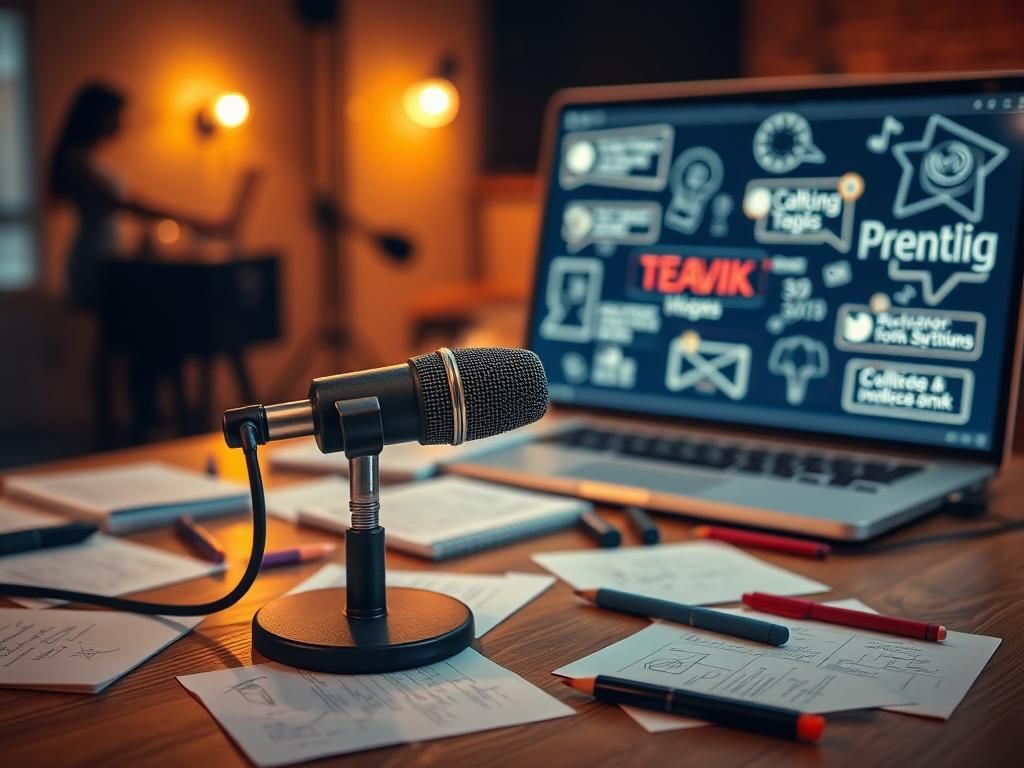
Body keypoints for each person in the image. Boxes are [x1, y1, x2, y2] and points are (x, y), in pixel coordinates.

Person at [48, 82, 234, 445]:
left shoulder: (94, 158)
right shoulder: (77, 160)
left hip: (115, 260)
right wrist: (191, 219)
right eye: (116, 115)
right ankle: (111, 429)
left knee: (120, 340)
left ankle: (131, 421)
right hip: (99, 262)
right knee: (112, 342)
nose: (122, 122)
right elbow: (124, 203)